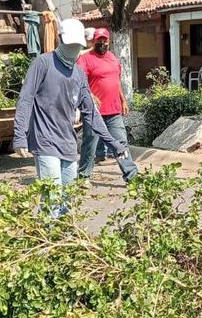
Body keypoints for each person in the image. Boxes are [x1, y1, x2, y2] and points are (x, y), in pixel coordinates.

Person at [13, 18, 129, 218]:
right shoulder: (43, 63)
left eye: (77, 45)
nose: (74, 49)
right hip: (45, 141)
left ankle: (63, 241)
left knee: (67, 201)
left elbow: (91, 113)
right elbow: (25, 99)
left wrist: (115, 145)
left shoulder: (78, 74)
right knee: (52, 198)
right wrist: (20, 136)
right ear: (60, 39)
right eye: (70, 44)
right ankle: (47, 241)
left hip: (68, 144)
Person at [77, 28, 137, 185]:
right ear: (93, 41)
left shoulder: (113, 58)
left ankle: (131, 175)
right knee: (90, 144)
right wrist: (90, 95)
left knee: (121, 143)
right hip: (93, 112)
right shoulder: (85, 59)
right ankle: (84, 176)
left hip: (113, 110)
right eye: (99, 41)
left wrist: (123, 100)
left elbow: (116, 82)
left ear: (109, 42)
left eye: (105, 41)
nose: (102, 43)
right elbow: (80, 82)